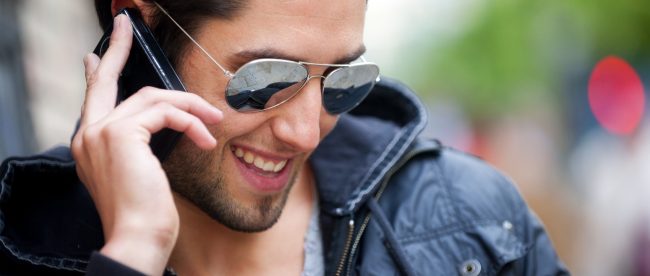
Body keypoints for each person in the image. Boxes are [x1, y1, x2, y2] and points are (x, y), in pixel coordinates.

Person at [0, 0, 569, 275]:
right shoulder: (21, 237)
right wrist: (133, 254)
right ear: (140, 29)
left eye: (343, 81)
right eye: (267, 78)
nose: (306, 132)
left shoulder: (478, 224)